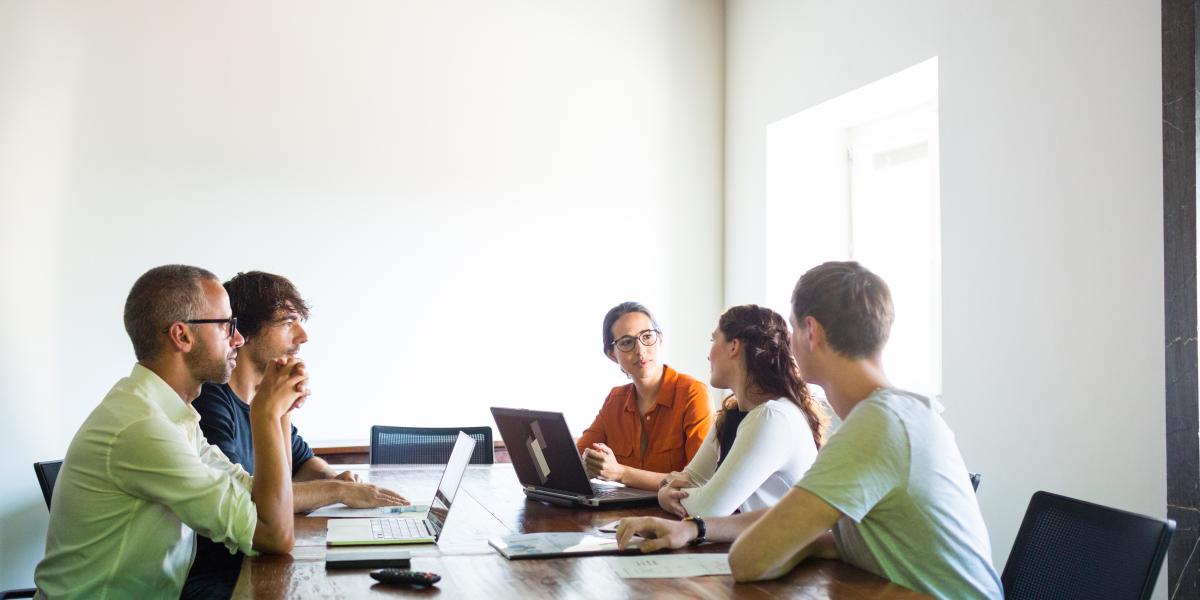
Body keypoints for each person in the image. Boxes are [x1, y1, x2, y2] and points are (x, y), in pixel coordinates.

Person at [617, 262, 1003, 599]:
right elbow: (794, 520)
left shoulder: (876, 427)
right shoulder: (895, 415)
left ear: (811, 332)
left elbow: (750, 559)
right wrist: (696, 529)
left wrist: (814, 543)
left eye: (792, 328)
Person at [34, 265, 304, 599]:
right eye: (226, 325)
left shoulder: (173, 415)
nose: (237, 338)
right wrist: (266, 413)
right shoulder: (142, 427)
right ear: (182, 336)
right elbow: (274, 535)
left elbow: (258, 499)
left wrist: (282, 412)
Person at [183, 271, 407, 599]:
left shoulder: (262, 400)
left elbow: (302, 462)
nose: (303, 336)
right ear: (244, 332)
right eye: (288, 322)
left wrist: (337, 477)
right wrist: (337, 491)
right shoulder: (212, 402)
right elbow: (251, 502)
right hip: (222, 574)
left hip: (258, 557)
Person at [657, 304, 827, 518]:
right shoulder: (734, 414)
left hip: (785, 551)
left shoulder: (772, 417)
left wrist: (665, 495)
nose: (708, 356)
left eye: (713, 340)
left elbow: (708, 509)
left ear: (733, 347)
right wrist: (669, 490)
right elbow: (691, 478)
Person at [575, 302, 713, 491]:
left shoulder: (692, 393)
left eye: (647, 337)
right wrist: (590, 462)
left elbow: (700, 481)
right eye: (626, 342)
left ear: (661, 339)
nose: (640, 350)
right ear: (611, 355)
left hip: (676, 515)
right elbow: (579, 456)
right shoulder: (615, 400)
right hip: (625, 511)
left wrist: (620, 473)